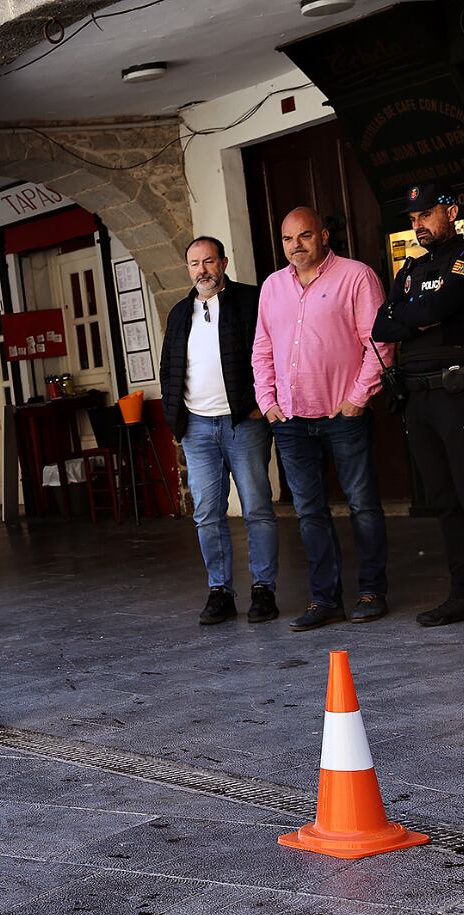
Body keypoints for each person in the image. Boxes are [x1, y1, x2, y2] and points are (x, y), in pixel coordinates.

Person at [373, 182, 464, 632]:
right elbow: (384, 324)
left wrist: (415, 314)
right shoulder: (409, 271)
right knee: (443, 500)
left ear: (451, 212)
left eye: (426, 215)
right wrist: (420, 314)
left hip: (459, 394)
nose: (418, 224)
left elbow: (433, 307)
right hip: (417, 397)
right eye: (413, 218)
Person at [251, 206, 392, 631]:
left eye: (305, 236)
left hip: (342, 414)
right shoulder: (273, 286)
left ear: (324, 236)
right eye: (288, 239)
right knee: (309, 511)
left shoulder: (356, 276)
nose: (296, 245)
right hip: (291, 420)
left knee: (362, 504)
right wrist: (268, 399)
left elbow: (379, 343)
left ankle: (371, 592)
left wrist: (356, 398)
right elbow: (261, 349)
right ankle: (324, 599)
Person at [160, 237, 277, 625]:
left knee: (257, 508)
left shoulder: (251, 300)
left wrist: (264, 402)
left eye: (209, 261)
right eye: (194, 263)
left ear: (223, 262)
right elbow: (169, 369)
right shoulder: (179, 313)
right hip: (196, 427)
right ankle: (220, 591)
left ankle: (263, 590)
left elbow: (271, 351)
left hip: (243, 422)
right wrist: (174, 417)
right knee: (207, 513)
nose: (202, 270)